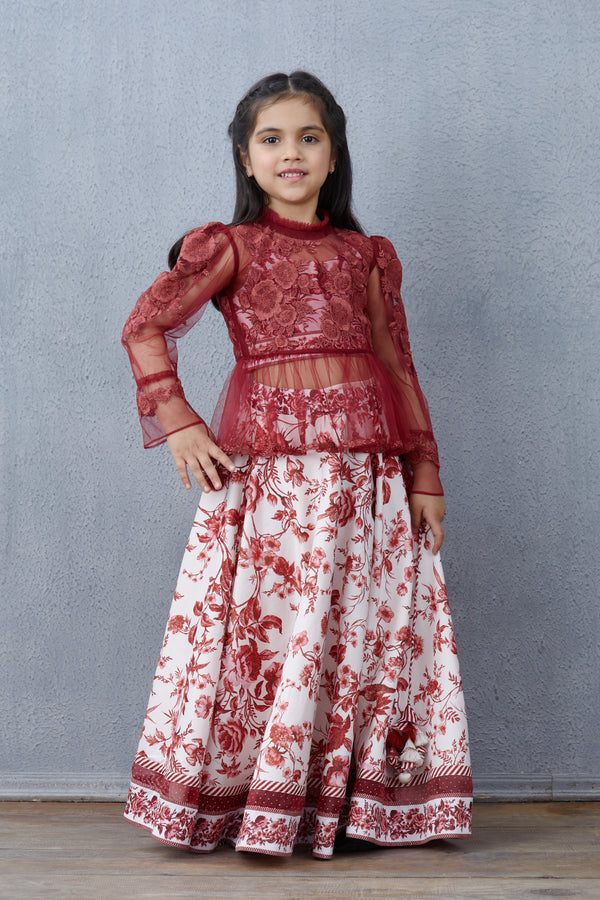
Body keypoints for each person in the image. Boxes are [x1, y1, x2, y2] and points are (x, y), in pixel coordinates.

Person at [122, 71, 472, 859]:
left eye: (309, 138)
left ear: (334, 154)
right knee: (274, 633)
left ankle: (345, 803)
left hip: (366, 487)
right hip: (271, 490)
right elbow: (144, 327)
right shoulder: (230, 247)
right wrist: (178, 423)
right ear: (246, 159)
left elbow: (397, 364)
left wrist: (425, 473)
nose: (292, 153)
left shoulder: (364, 255)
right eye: (271, 139)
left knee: (356, 636)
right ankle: (261, 804)